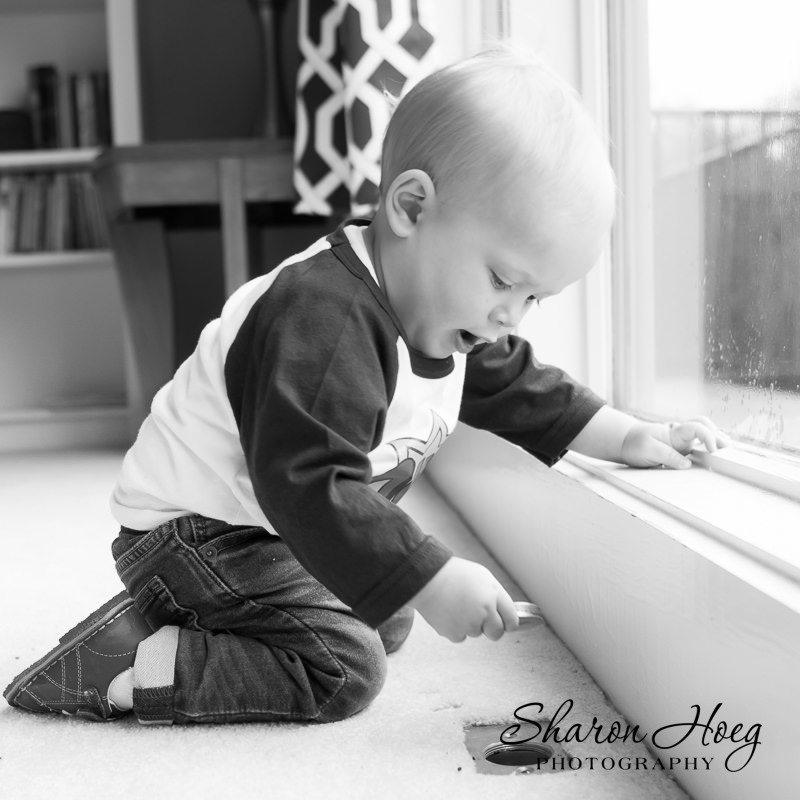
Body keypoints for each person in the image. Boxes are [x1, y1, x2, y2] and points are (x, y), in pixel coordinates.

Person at [4, 46, 726, 726]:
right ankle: (136, 663)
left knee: (390, 615)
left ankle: (201, 620)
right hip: (193, 537)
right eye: (504, 280)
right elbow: (311, 482)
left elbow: (530, 391)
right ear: (412, 208)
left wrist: (633, 435)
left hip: (262, 529)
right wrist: (434, 576)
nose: (510, 317)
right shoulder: (326, 319)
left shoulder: (444, 310)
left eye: (534, 298)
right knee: (346, 666)